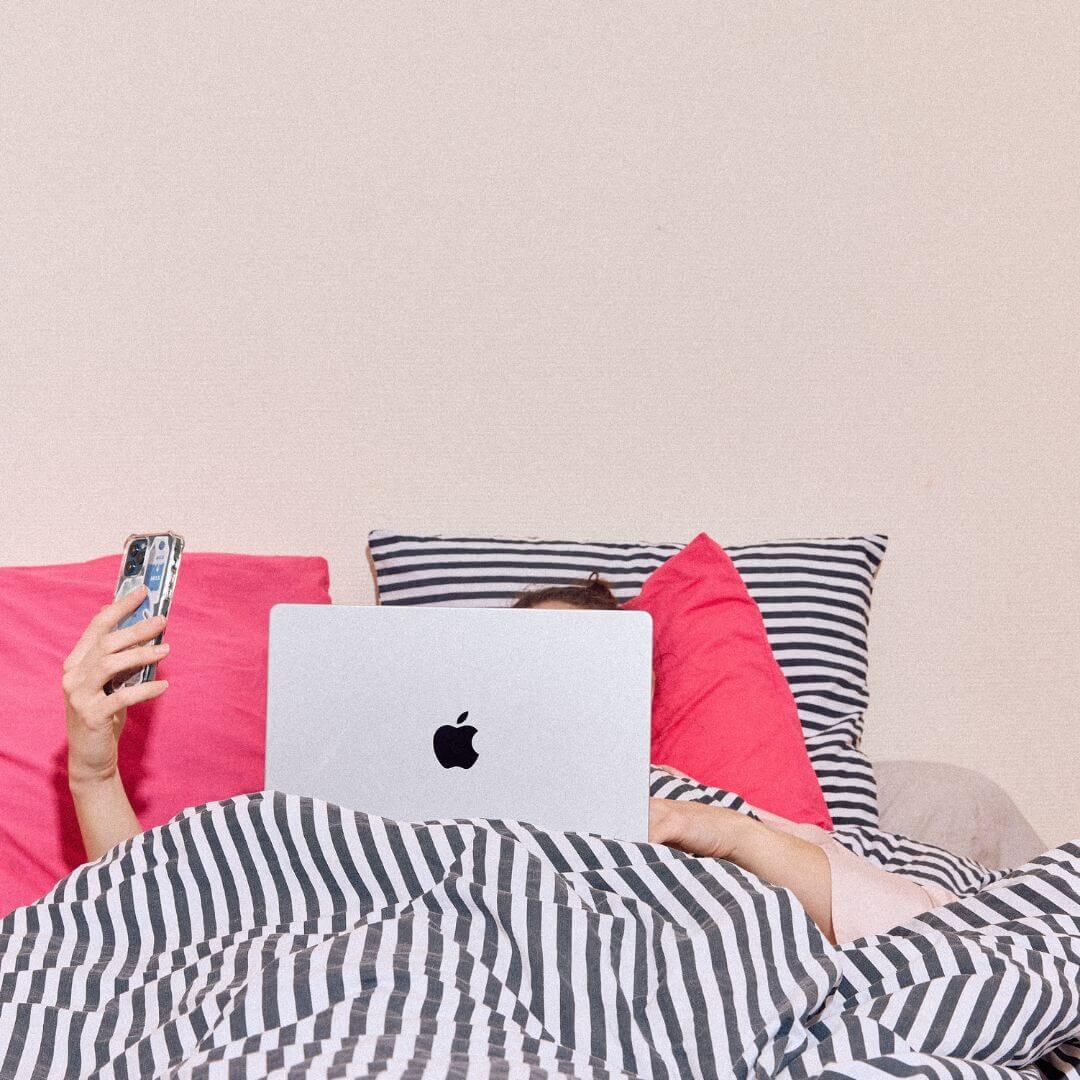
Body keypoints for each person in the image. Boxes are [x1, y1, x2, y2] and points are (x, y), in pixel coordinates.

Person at [64, 578, 955, 947]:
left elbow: (914, 925)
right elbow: (163, 909)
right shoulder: (352, 804)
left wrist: (725, 834)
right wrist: (93, 774)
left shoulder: (687, 806)